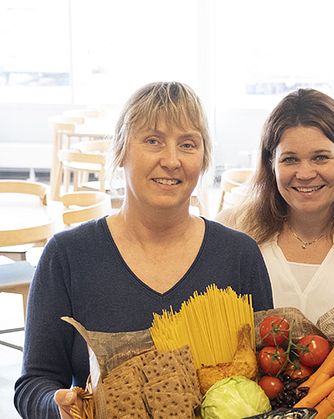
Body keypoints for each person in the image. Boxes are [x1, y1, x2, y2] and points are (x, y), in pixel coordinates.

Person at [14, 82, 274, 418]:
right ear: (121, 150)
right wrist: (58, 406)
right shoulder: (67, 256)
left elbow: (270, 376)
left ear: (204, 159)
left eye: (188, 144)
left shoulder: (239, 255)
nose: (171, 160)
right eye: (153, 141)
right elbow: (34, 383)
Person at [218, 88, 334, 322]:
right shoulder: (233, 232)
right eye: (290, 159)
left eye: (320, 157)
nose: (305, 174)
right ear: (271, 163)